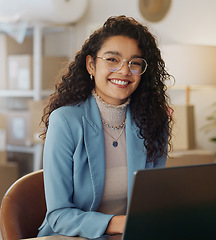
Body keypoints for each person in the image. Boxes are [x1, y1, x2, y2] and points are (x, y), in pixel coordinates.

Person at [37, 15, 173, 239]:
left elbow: (151, 202)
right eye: (112, 59)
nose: (124, 71)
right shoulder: (65, 121)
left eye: (135, 63)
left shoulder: (154, 121)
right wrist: (119, 223)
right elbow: (59, 215)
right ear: (91, 64)